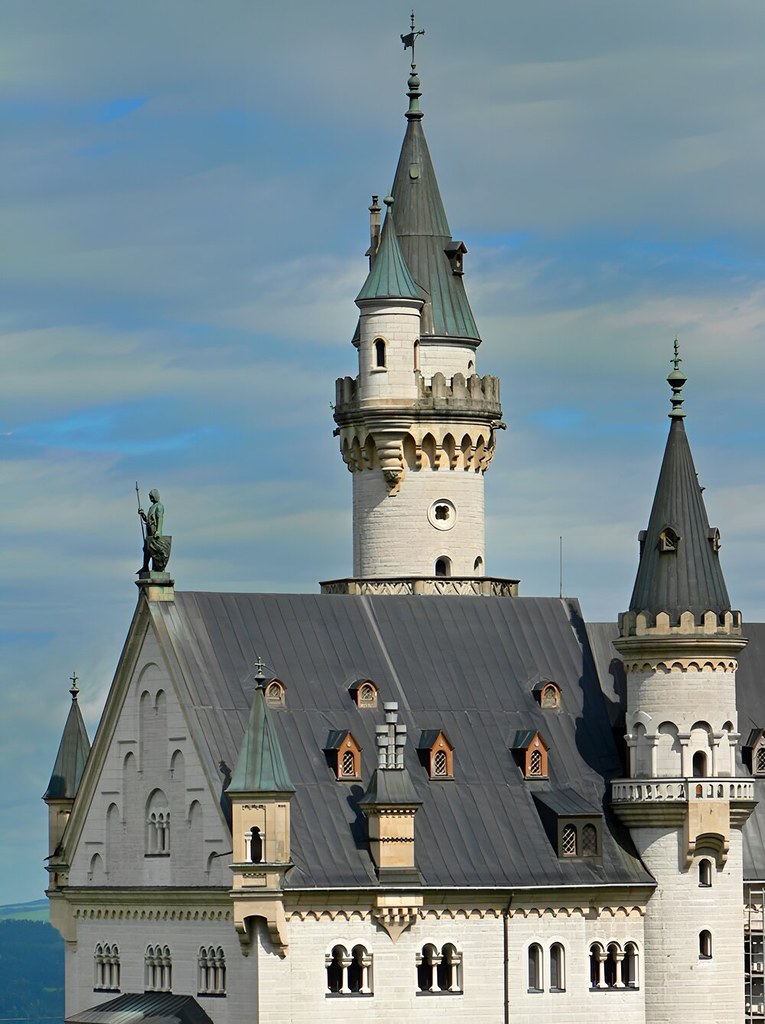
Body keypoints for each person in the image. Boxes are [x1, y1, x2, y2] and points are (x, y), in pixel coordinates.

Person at [138, 489, 171, 573]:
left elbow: (160, 518)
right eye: (150, 497)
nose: (151, 499)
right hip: (149, 529)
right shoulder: (151, 507)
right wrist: (143, 515)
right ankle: (145, 566)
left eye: (152, 497)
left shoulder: (159, 506)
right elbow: (148, 520)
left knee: (153, 549)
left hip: (154, 530)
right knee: (146, 549)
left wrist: (158, 531)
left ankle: (155, 568)